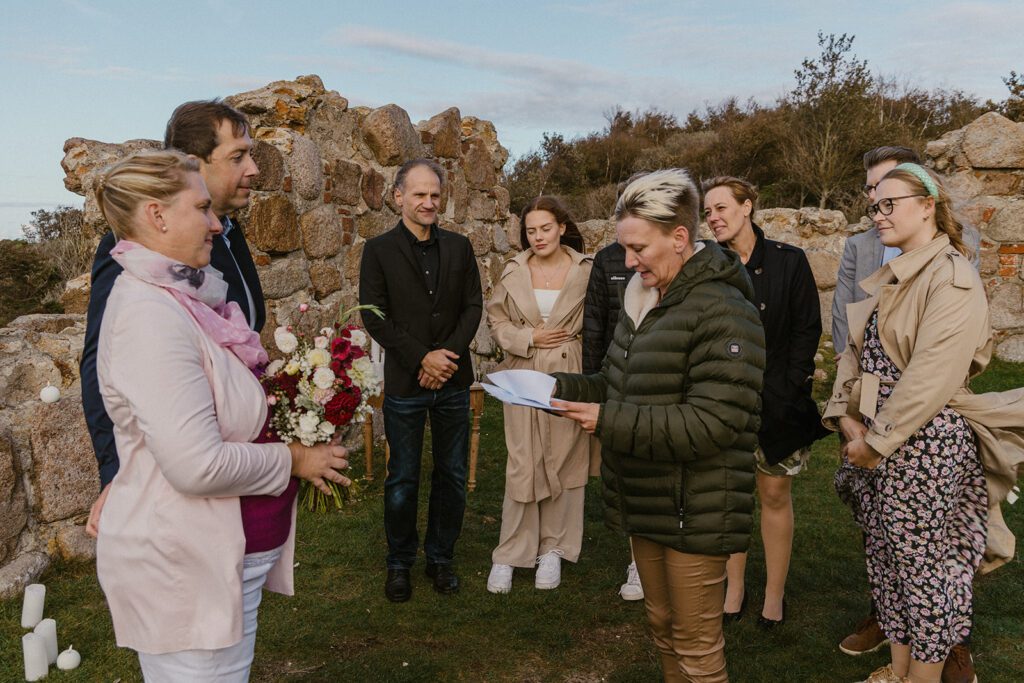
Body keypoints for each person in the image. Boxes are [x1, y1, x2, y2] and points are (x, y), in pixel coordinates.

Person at [92, 150, 349, 681]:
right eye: (202, 208)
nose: (216, 224)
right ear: (157, 215)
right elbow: (196, 465)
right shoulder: (148, 317)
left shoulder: (184, 296)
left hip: (217, 563)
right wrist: (295, 459)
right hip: (183, 570)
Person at [552, 169, 765, 682]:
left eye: (639, 249)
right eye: (625, 249)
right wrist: (554, 388)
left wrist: (607, 420)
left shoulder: (724, 310)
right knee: (662, 625)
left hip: (697, 504)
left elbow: (714, 422)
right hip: (648, 498)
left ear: (679, 237)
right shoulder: (644, 300)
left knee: (696, 648)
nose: (628, 263)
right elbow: (618, 381)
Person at [824, 162, 1018, 683]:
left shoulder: (951, 277)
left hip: (923, 444)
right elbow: (857, 352)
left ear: (927, 205)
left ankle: (925, 678)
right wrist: (847, 420)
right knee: (886, 563)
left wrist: (877, 442)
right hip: (874, 436)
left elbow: (930, 377)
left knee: (925, 573)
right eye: (874, 205)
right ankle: (898, 668)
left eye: (889, 203)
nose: (878, 213)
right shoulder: (898, 269)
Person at [82, 99, 266, 534]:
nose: (254, 168)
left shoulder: (228, 230)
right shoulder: (142, 254)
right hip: (174, 483)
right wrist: (117, 471)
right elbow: (100, 365)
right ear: (193, 163)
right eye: (238, 156)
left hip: (226, 471)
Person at [704, 176, 829, 627]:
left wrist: (790, 386)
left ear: (747, 206)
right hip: (722, 402)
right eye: (708, 212)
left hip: (778, 401)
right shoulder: (705, 264)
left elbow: (806, 330)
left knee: (774, 493)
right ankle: (733, 588)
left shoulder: (788, 261)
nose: (713, 218)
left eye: (721, 208)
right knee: (731, 497)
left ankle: (774, 595)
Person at [359, 158, 483, 602]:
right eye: (419, 194)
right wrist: (422, 359)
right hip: (407, 383)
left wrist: (445, 359)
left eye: (435, 194)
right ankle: (399, 563)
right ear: (398, 197)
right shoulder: (377, 250)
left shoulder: (460, 247)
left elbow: (472, 308)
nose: (429, 202)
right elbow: (375, 317)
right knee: (403, 477)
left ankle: (441, 558)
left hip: (452, 380)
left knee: (451, 475)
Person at [485, 196, 592, 593]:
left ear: (562, 227)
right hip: (522, 370)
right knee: (523, 459)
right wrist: (529, 336)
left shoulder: (585, 270)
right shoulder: (514, 269)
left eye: (546, 228)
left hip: (568, 371)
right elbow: (496, 319)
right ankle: (511, 552)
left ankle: (554, 550)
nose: (539, 236)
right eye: (531, 230)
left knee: (565, 458)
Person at [582, 177, 643, 602]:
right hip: (616, 378)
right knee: (622, 474)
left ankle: (648, 562)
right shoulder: (606, 261)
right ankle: (638, 558)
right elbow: (594, 326)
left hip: (657, 382)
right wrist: (591, 386)